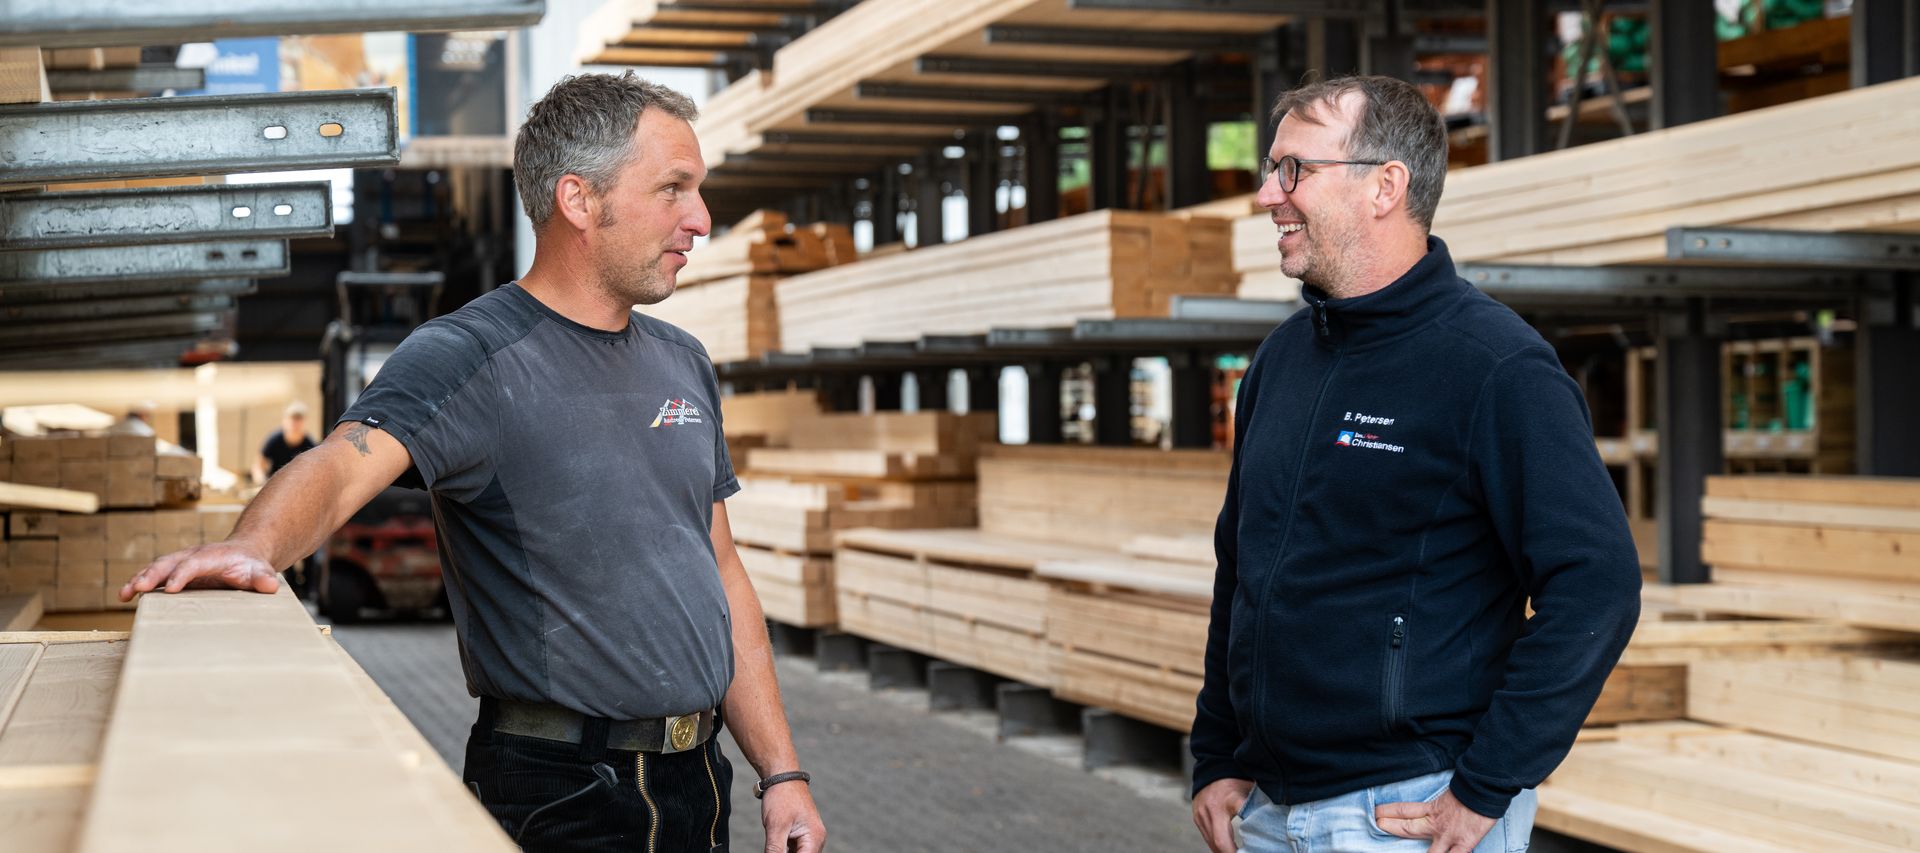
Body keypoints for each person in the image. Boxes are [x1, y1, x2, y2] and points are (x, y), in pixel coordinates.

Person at [121, 72, 827, 853]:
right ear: (578, 200)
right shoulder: (472, 355)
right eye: (673, 188)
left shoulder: (683, 362)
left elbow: (721, 571)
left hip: (703, 783)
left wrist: (782, 774)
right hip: (563, 790)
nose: (700, 218)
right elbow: (343, 464)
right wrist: (255, 547)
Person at [1189, 75, 1640, 853]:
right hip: (1267, 809)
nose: (1268, 194)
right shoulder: (1279, 362)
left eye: (1294, 169)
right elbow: (1243, 568)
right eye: (1271, 169)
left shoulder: (1494, 367)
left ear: (1385, 186)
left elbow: (1596, 583)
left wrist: (1490, 783)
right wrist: (1215, 754)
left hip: (1407, 819)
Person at [253, 401, 316, 485]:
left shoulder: (310, 445)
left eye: (298, 419)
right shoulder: (274, 439)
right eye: (292, 418)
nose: (295, 423)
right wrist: (262, 482)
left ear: (304, 422)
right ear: (284, 420)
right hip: (274, 485)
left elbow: (314, 471)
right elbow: (258, 466)